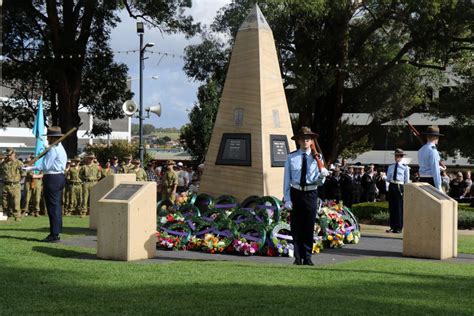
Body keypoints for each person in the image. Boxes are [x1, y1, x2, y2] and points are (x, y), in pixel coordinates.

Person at [283, 126, 329, 266]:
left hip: (310, 193)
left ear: (311, 141)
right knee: (296, 227)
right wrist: (287, 199)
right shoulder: (291, 157)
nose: (304, 142)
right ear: (298, 141)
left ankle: (307, 256)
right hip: (296, 193)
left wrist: (322, 176)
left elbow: (319, 182)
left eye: (307, 139)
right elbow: (286, 180)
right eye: (302, 139)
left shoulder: (317, 158)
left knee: (309, 226)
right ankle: (297, 257)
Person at [24, 126, 67, 242]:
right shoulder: (61, 148)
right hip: (59, 177)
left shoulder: (53, 149)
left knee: (52, 207)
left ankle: (54, 234)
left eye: (48, 136)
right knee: (56, 206)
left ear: (52, 137)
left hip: (52, 178)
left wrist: (30, 167)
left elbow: (46, 166)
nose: (47, 138)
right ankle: (57, 231)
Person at [386, 149, 410, 233]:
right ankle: (392, 226)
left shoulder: (405, 167)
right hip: (392, 185)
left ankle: (399, 227)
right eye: (396, 155)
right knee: (392, 207)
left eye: (399, 156)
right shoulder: (391, 166)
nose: (396, 157)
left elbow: (406, 180)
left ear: (401, 157)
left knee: (399, 207)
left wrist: (405, 190)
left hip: (400, 185)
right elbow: (388, 178)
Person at [417, 125, 443, 190]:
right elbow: (435, 170)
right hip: (431, 180)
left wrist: (439, 167)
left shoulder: (421, 149)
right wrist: (439, 186)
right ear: (435, 137)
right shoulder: (433, 150)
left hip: (422, 179)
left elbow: (426, 165)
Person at [2, 148, 24, 220]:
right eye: (7, 155)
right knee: (5, 202)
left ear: (14, 154)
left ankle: (17, 217)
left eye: (10, 155)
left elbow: (23, 174)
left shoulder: (19, 163)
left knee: (15, 202)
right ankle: (8, 216)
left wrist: (16, 180)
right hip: (5, 185)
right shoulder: (3, 164)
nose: (8, 157)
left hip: (15, 185)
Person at [79, 153, 100, 217]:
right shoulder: (84, 167)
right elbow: (80, 175)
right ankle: (84, 212)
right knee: (85, 198)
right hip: (86, 183)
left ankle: (93, 211)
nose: (91, 160)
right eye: (90, 158)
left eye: (92, 158)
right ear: (87, 159)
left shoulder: (96, 166)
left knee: (94, 197)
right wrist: (84, 179)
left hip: (94, 182)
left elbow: (99, 175)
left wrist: (95, 179)